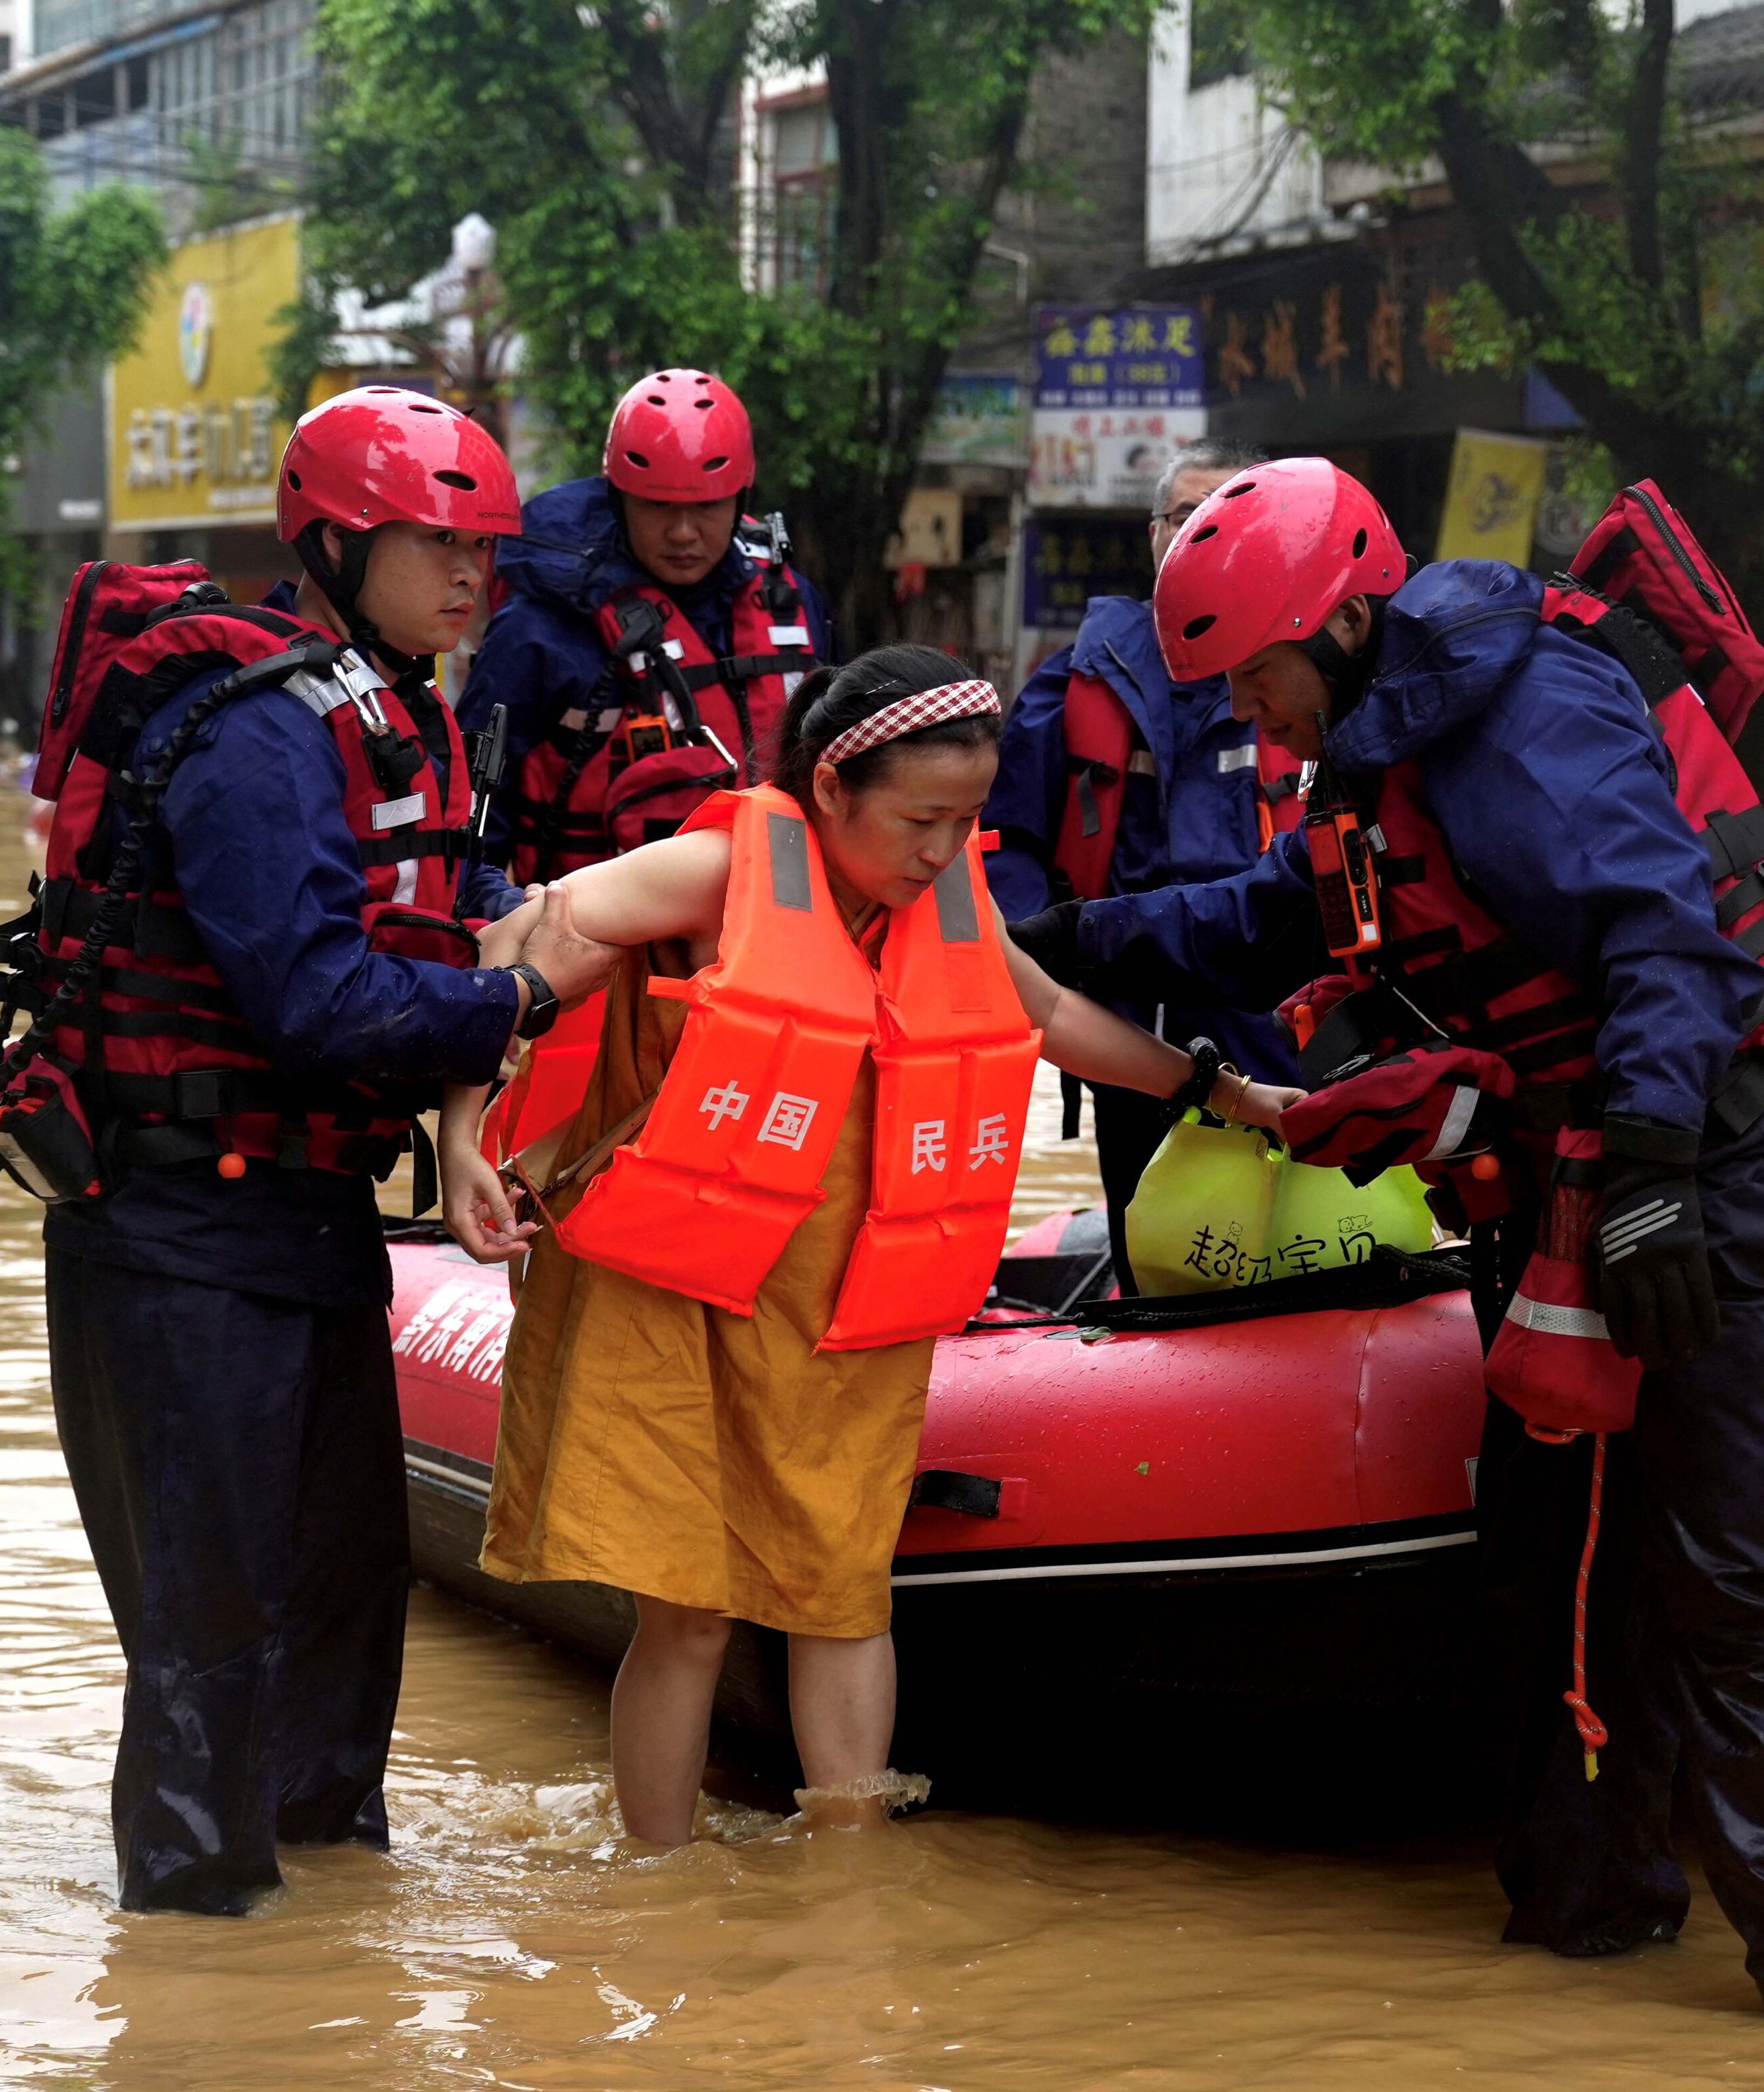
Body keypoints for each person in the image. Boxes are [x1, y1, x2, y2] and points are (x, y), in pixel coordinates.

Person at [1013, 459, 1764, 2021]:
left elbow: (1664, 939)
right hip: (1576, 1182)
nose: (1250, 714)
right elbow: (1287, 918)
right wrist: (1065, 937)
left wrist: (1648, 1178)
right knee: (1556, 1566)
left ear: (1346, 619)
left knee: (1741, 1568)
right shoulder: (1375, 752)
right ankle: (1590, 1910)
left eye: (1257, 676)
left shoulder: (1526, 716)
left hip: (1716, 1172)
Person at [437, 646, 1297, 1844]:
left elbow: (1046, 1016)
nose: (945, 850)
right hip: (668, 1290)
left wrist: (1227, 1091)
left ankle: (850, 1881)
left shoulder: (944, 902)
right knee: (687, 1613)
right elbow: (530, 937)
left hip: (838, 1307)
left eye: (968, 819)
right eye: (922, 818)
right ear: (833, 788)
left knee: (844, 1595)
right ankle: (657, 1889)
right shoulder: (716, 869)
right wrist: (462, 1137)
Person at [0, 385, 608, 1914]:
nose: (471, 574)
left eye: (485, 547)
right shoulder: (261, 731)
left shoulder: (414, 716)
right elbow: (317, 996)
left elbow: (428, 937)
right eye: (433, 542)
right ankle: (196, 2001)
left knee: (344, 1598)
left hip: (311, 1218)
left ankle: (328, 1979)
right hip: (177, 1230)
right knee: (212, 1627)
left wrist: (464, 1114)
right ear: (333, 541)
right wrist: (512, 1001)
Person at [982, 438, 1305, 1226]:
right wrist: (1041, 966)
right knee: (1148, 1227)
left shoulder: (1302, 671)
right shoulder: (1074, 680)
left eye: (1226, 514)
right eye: (1183, 514)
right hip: (1126, 1009)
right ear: (1152, 533)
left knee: (1293, 1229)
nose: (1200, 532)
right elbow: (1007, 838)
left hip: (1272, 1005)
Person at [460, 366, 833, 884]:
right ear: (619, 500)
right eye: (657, 505)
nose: (682, 532)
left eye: (705, 506)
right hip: (598, 942)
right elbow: (467, 826)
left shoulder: (794, 603)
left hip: (776, 932)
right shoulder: (537, 631)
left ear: (739, 500)